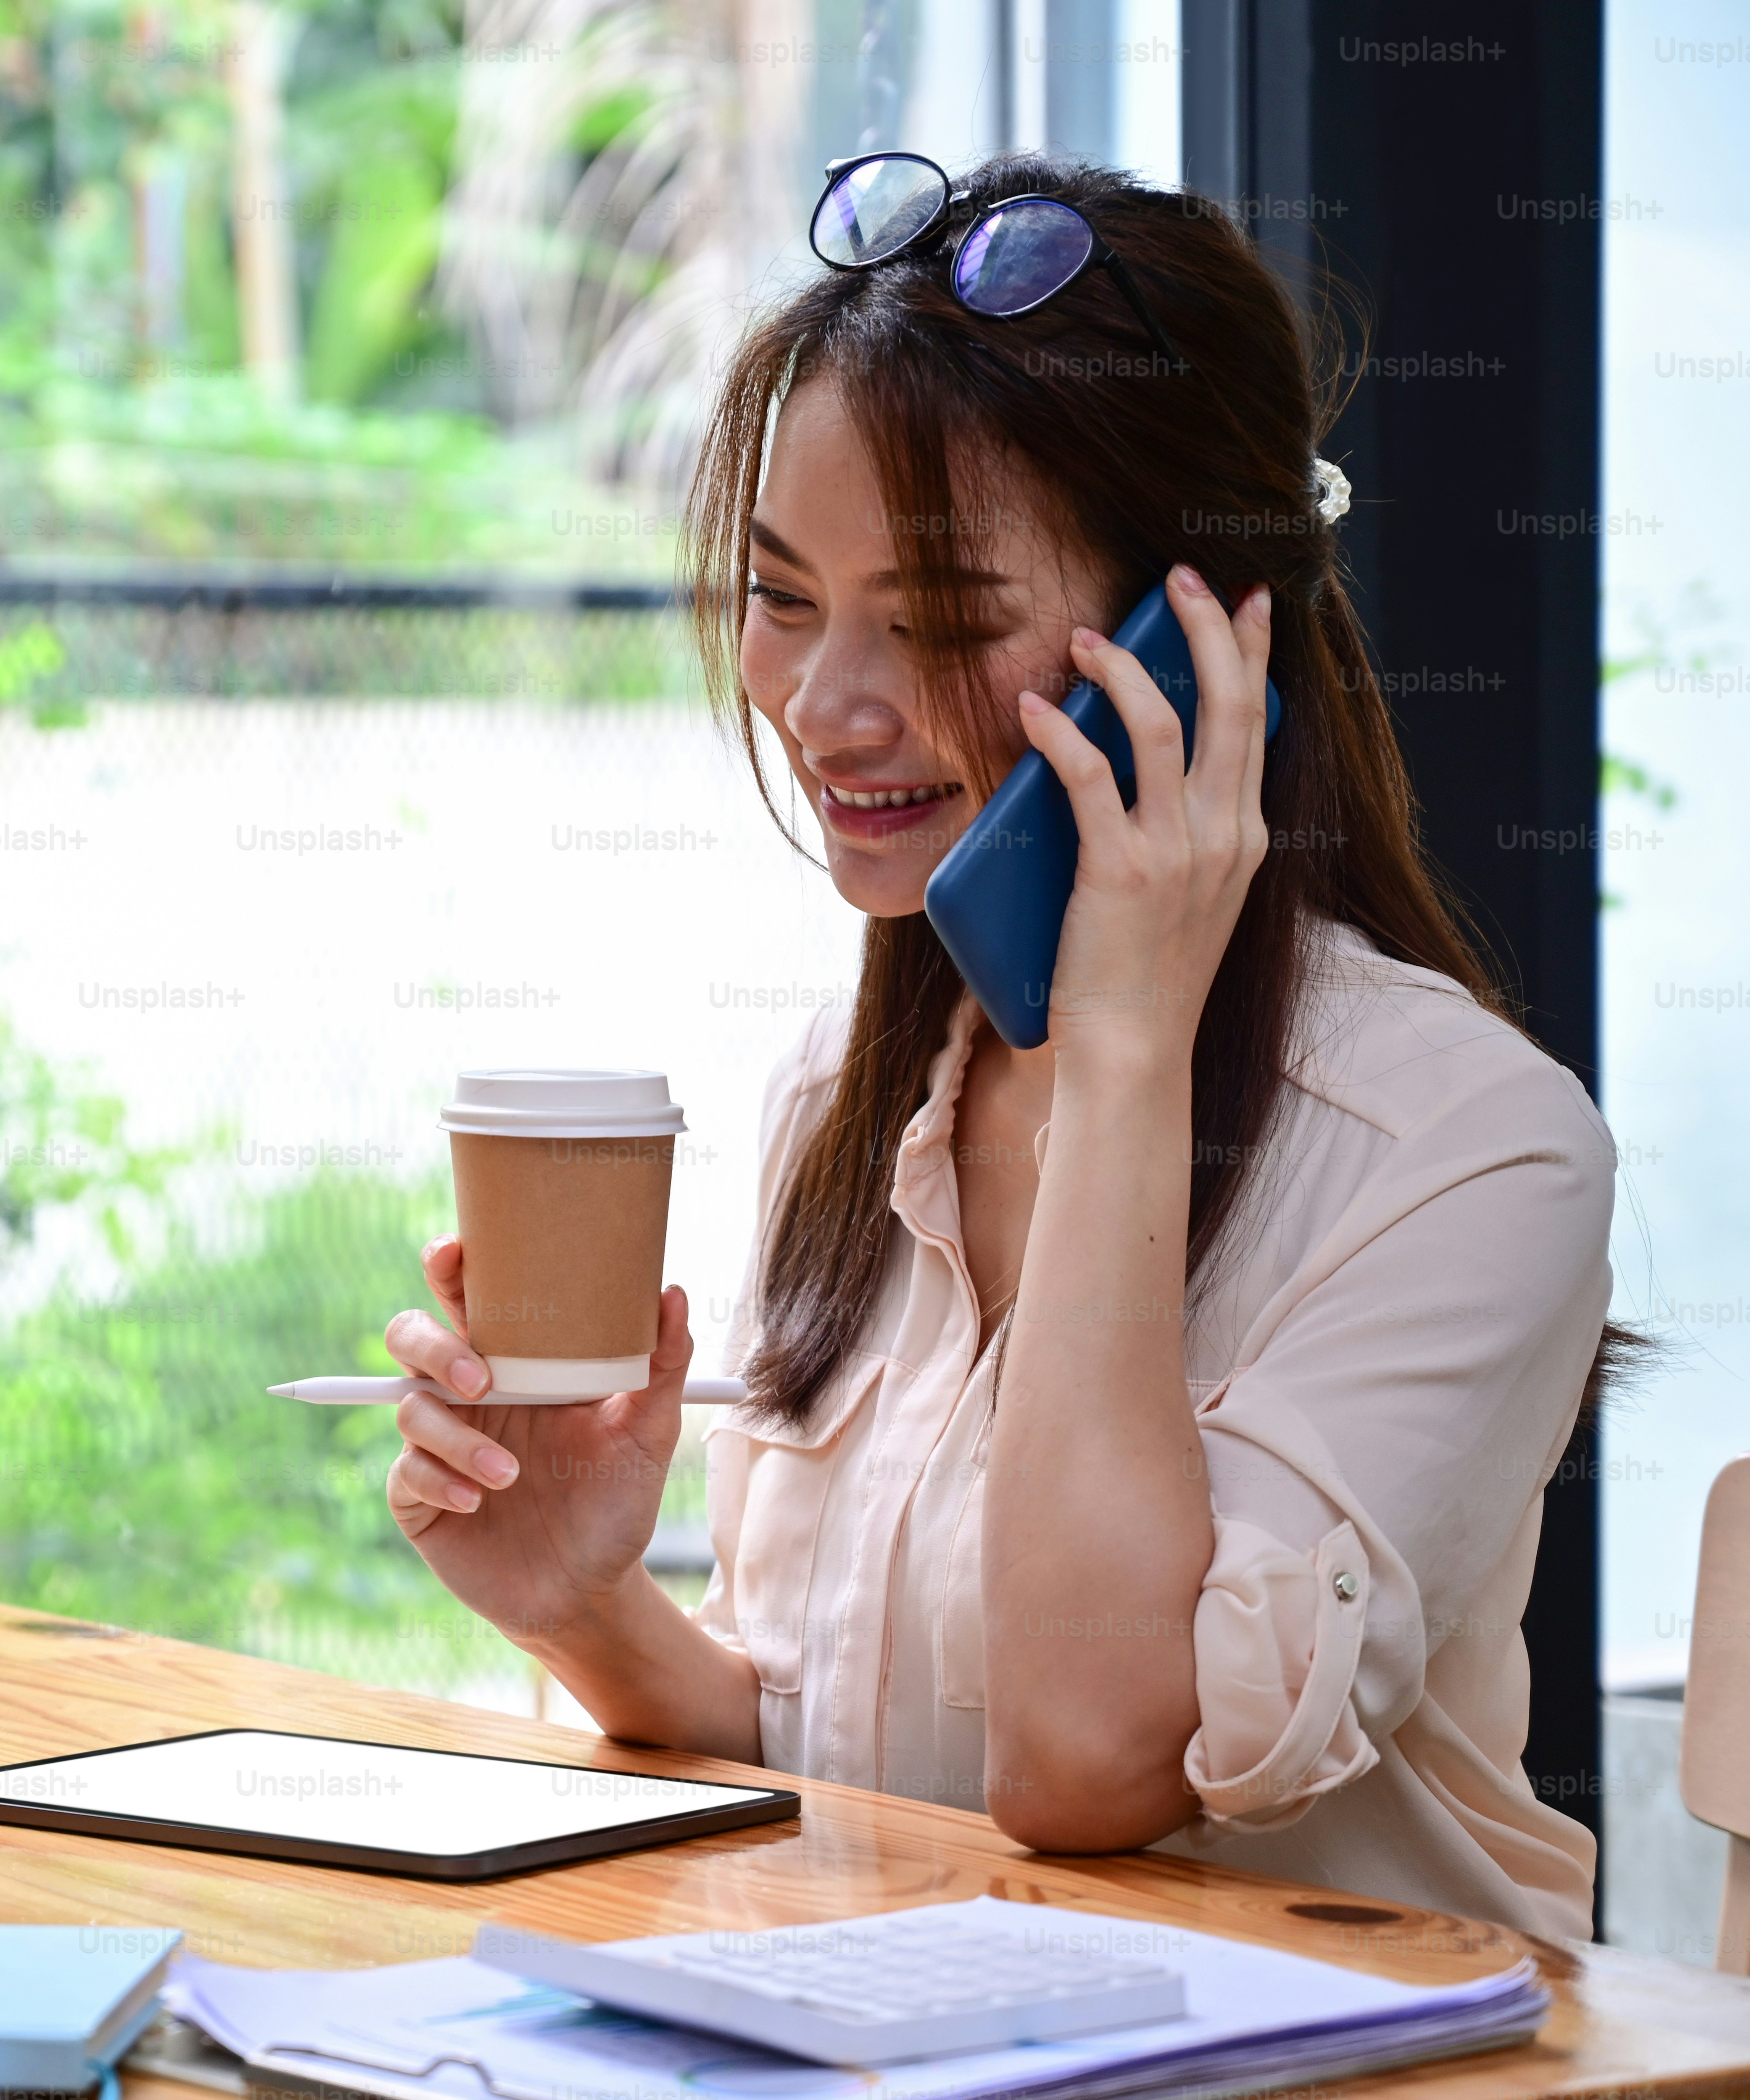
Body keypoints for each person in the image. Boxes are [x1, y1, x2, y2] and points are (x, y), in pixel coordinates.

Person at [379, 152, 1616, 1939]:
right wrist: (585, 1603)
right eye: (784, 596)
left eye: (942, 620)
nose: (823, 705)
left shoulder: (1471, 1148)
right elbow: (884, 1778)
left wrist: (1125, 1054)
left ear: (1195, 651)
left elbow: (1082, 1763)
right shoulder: (853, 1077)